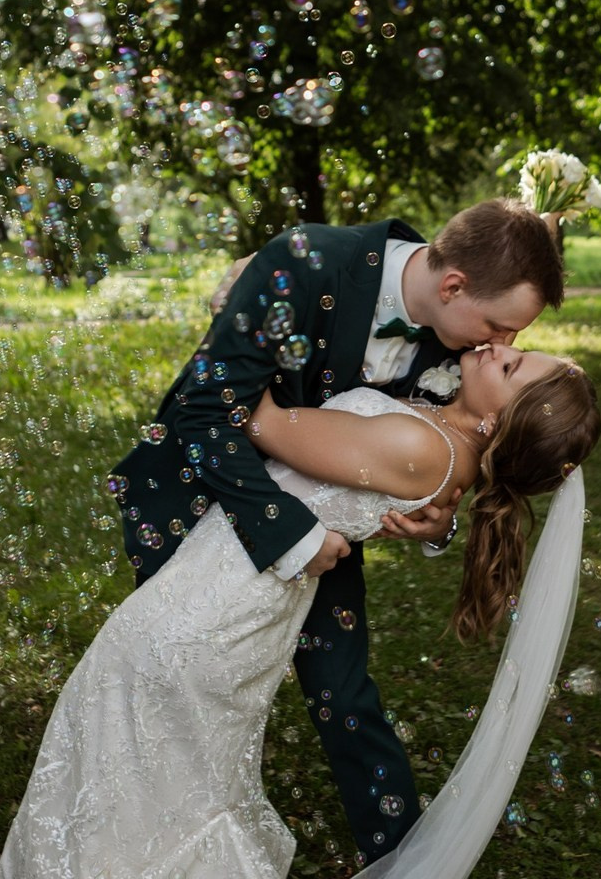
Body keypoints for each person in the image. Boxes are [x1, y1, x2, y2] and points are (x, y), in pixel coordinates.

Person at [0, 341, 600, 878]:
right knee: (163, 774)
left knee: (131, 748)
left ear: (498, 420)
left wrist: (238, 321)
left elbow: (264, 424)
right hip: (238, 593)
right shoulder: (441, 433)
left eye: (512, 364)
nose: (498, 347)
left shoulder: (423, 446)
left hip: (216, 607)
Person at [108, 198, 564, 861]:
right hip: (199, 504)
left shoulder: (461, 344)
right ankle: (155, 846)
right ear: (453, 285)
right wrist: (294, 539)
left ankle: (409, 864)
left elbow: (454, 443)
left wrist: (440, 517)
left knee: (344, 691)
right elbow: (205, 412)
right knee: (180, 684)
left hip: (324, 532)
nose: (503, 345)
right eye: (499, 325)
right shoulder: (309, 262)